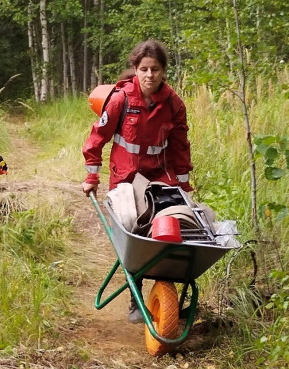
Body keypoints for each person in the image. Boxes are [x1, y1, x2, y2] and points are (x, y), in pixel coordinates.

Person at [81, 40, 193, 324]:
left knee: (173, 227)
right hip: (126, 178)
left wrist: (183, 185)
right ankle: (135, 298)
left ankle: (166, 292)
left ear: (164, 71)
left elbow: (180, 146)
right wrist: (91, 176)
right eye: (144, 69)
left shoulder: (173, 104)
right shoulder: (121, 99)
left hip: (158, 176)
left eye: (155, 69)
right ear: (135, 69)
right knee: (135, 228)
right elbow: (97, 137)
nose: (149, 75)